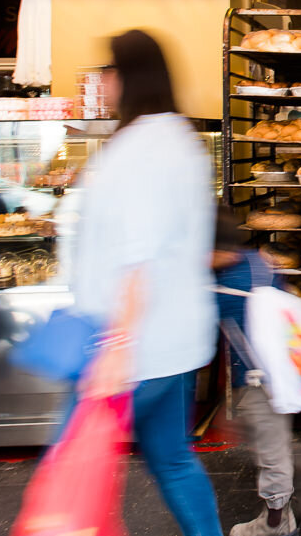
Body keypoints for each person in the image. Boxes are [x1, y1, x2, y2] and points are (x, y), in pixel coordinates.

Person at [67, 29, 222, 536]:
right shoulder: (181, 138)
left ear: (125, 77)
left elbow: (139, 257)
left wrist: (115, 347)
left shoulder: (136, 150)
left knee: (77, 473)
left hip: (134, 349)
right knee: (173, 460)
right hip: (176, 340)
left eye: (107, 73)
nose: (104, 83)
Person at [210, 206, 298, 536]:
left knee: (270, 447)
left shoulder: (220, 285)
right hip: (279, 371)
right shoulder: (259, 262)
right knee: (266, 438)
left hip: (261, 380)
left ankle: (277, 521)